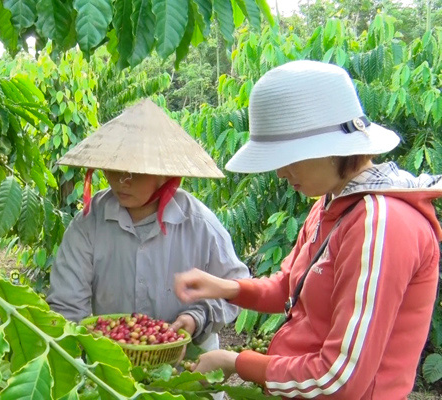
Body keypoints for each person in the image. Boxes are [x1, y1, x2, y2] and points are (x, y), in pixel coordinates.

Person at [174, 60, 442, 399]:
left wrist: (236, 361)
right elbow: (291, 287)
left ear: (330, 149)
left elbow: (340, 380)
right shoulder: (333, 203)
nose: (281, 173)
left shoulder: (380, 224)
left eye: (289, 157)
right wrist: (224, 287)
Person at [47, 98, 250, 352]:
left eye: (135, 172)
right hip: (114, 367)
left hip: (189, 369)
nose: (122, 181)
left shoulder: (199, 224)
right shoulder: (89, 223)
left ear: (164, 173)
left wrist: (196, 318)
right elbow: (67, 305)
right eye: (114, 169)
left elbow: (236, 290)